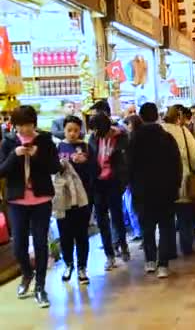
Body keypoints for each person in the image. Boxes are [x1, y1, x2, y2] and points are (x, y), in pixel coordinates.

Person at [0, 106, 61, 308]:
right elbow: (2, 171)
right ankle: (27, 273)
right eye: (20, 125)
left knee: (41, 243)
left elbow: (55, 167)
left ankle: (40, 287)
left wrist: (37, 155)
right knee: (18, 246)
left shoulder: (44, 140)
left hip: (41, 199)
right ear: (14, 125)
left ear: (34, 123)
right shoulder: (8, 141)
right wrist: (14, 155)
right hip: (17, 201)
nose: (25, 129)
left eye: (28, 124)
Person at [128, 103, 181, 278]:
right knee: (166, 227)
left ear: (141, 117)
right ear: (157, 115)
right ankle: (163, 265)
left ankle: (150, 261)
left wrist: (131, 186)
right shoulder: (167, 138)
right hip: (165, 190)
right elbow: (176, 164)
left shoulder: (134, 139)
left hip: (143, 191)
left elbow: (128, 166)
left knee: (147, 227)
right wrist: (176, 185)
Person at [88, 110, 131, 270]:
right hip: (98, 183)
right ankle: (109, 254)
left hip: (114, 182)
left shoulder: (121, 137)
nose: (96, 135)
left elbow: (126, 161)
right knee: (101, 220)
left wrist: (123, 180)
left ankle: (123, 245)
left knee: (117, 215)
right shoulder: (94, 138)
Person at [56, 116, 92, 285]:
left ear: (80, 131)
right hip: (63, 198)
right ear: (64, 130)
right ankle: (68, 264)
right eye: (69, 130)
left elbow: (94, 170)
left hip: (83, 198)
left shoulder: (85, 146)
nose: (72, 133)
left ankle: (82, 267)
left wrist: (85, 162)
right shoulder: (58, 146)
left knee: (82, 234)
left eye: (76, 130)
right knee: (65, 234)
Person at [162, 105, 195, 256]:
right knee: (185, 217)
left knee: (167, 219)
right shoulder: (184, 132)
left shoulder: (160, 131)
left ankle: (170, 250)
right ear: (179, 117)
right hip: (182, 179)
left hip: (163, 182)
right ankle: (186, 247)